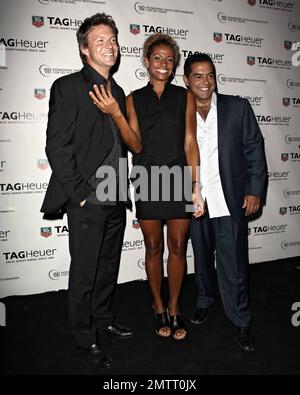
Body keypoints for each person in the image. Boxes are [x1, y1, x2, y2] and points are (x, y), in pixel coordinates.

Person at [41, 13, 140, 369]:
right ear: (85, 49)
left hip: (115, 195)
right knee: (85, 269)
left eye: (112, 39)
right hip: (87, 198)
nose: (109, 45)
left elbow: (124, 142)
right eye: (100, 40)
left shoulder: (119, 92)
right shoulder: (67, 87)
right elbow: (57, 147)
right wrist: (80, 193)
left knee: (107, 266)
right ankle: (84, 336)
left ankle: (102, 319)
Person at [90, 34, 205, 341]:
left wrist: (195, 185)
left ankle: (175, 306)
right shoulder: (133, 99)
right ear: (146, 61)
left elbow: (190, 142)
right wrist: (117, 114)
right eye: (157, 58)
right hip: (148, 179)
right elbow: (135, 144)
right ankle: (157, 306)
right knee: (153, 247)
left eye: (169, 59)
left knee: (179, 247)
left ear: (174, 63)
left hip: (179, 177)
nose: (163, 64)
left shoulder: (185, 96)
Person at [183, 53, 267, 351]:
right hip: (194, 203)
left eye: (210, 75)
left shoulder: (238, 107)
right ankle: (205, 299)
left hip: (229, 201)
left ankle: (241, 319)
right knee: (202, 259)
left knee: (234, 266)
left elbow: (254, 150)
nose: (205, 82)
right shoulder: (180, 113)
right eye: (198, 76)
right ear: (186, 80)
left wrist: (255, 190)